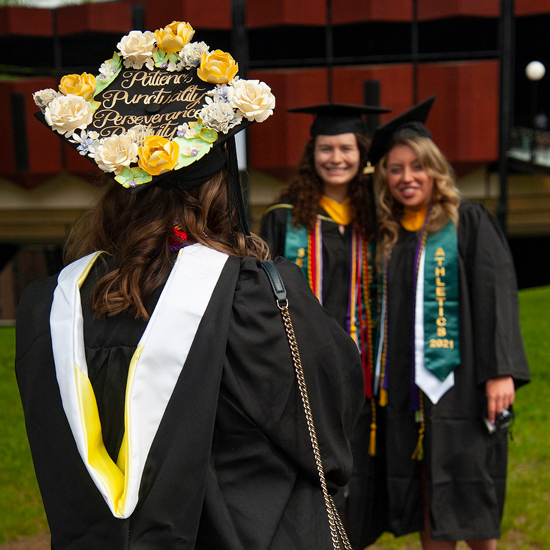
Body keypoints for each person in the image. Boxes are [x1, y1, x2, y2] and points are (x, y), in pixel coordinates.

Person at [15, 22, 365, 550]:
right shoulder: (251, 295)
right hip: (255, 531)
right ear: (219, 186)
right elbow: (324, 420)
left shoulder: (54, 305)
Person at [356, 97, 531, 550]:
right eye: (395, 169)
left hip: (466, 382)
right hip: (409, 391)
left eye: (417, 167)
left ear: (436, 170)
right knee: (427, 494)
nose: (407, 178)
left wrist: (500, 372)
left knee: (470, 489)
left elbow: (497, 296)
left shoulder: (467, 222)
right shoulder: (390, 235)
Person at [260, 102, 391, 547]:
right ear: (311, 154)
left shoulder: (379, 218)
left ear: (363, 154)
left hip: (364, 368)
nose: (336, 158)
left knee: (357, 462)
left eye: (346, 148)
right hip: (304, 370)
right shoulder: (283, 216)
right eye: (326, 148)